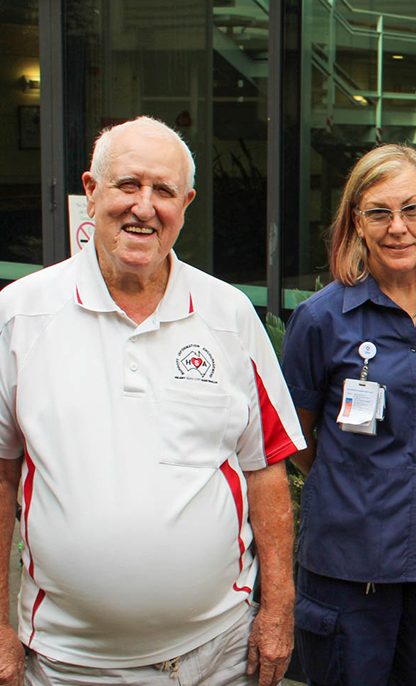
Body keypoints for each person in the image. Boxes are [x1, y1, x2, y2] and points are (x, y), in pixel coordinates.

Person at [0, 116, 305, 685]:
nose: (145, 207)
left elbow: (265, 468)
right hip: (74, 666)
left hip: (219, 656)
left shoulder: (228, 314)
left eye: (163, 191)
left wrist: (279, 611)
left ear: (185, 204)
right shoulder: (21, 314)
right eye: (128, 185)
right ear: (91, 190)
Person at [281, 144, 416, 686]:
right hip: (350, 566)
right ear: (356, 222)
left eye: (412, 209)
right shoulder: (320, 319)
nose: (398, 227)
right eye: (379, 212)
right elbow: (294, 435)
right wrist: (359, 481)